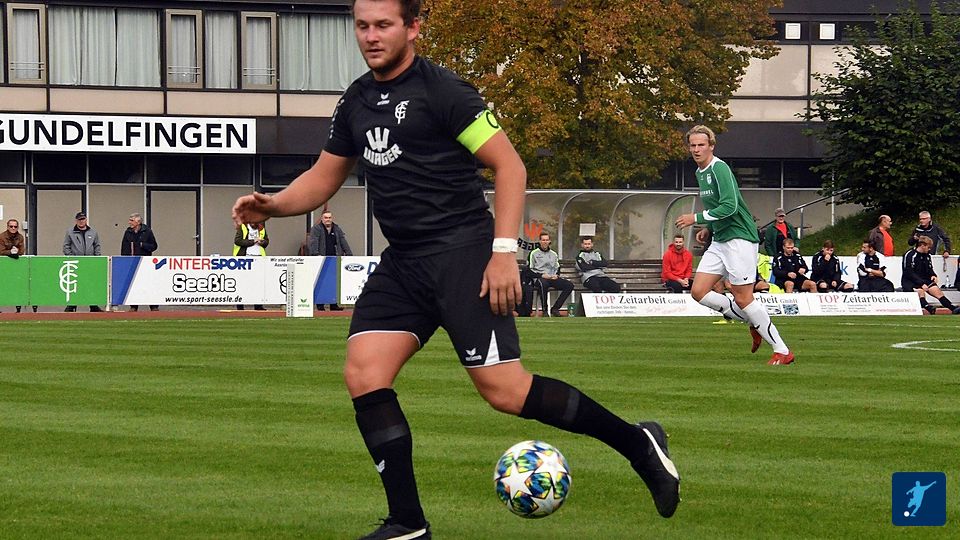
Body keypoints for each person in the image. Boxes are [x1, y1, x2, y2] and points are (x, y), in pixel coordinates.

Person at [232, 2, 680, 537]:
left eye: (383, 25)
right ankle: (407, 523)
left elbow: (510, 165)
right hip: (404, 264)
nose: (371, 36)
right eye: (362, 26)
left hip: (464, 256)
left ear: (413, 28)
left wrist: (503, 252)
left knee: (505, 392)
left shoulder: (445, 92)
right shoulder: (355, 100)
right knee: (364, 373)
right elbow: (324, 177)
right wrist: (274, 205)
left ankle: (638, 444)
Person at [675, 125, 794, 366]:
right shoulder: (700, 171)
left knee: (744, 298)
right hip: (720, 239)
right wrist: (710, 228)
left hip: (739, 239)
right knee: (698, 291)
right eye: (693, 145)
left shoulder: (719, 168)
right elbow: (718, 207)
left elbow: (730, 206)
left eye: (701, 145)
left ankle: (782, 351)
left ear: (711, 146)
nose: (696, 149)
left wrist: (696, 218)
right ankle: (753, 322)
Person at [901, 235, 960, 315]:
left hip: (924, 279)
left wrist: (933, 275)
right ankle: (929, 308)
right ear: (922, 245)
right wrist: (921, 283)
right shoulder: (910, 255)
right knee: (920, 292)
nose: (929, 249)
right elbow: (908, 272)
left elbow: (929, 268)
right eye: (928, 247)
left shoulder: (927, 255)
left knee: (938, 292)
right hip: (910, 280)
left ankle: (953, 308)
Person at [308, 210, 354, 310]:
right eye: (326, 218)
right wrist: (315, 254)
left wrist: (349, 254)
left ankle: (333, 305)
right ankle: (320, 305)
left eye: (329, 217)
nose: (328, 219)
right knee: (321, 282)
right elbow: (313, 242)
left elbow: (343, 241)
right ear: (322, 219)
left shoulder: (336, 228)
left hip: (334, 259)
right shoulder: (316, 229)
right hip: (322, 259)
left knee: (334, 282)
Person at [62, 211, 103, 312]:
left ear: (86, 220)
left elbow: (97, 246)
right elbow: (66, 246)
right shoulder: (70, 232)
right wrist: (72, 257)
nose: (81, 221)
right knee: (75, 283)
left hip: (90, 262)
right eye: (79, 219)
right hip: (76, 262)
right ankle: (72, 305)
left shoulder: (93, 232)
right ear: (76, 221)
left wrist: (96, 258)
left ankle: (93, 305)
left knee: (90, 283)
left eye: (83, 219)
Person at [528, 232, 575, 316]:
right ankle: (545, 310)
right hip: (539, 277)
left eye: (547, 240)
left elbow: (557, 267)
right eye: (543, 240)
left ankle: (555, 308)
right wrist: (541, 275)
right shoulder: (533, 253)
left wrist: (556, 275)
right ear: (540, 241)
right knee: (543, 284)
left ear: (549, 241)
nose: (545, 242)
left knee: (569, 285)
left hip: (552, 277)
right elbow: (529, 270)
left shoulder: (553, 254)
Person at [120, 213, 160, 312]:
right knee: (133, 284)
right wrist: (125, 260)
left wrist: (143, 245)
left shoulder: (147, 231)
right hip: (132, 261)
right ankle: (133, 306)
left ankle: (153, 306)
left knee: (148, 283)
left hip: (145, 262)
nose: (129, 222)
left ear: (138, 222)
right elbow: (124, 247)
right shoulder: (128, 232)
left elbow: (154, 246)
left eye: (131, 220)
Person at [0, 218, 36, 313]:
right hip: (4, 265)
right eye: (11, 226)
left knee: (18, 285)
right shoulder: (2, 237)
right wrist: (11, 252)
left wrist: (15, 252)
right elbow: (1, 251)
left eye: (15, 226)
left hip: (16, 265)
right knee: (3, 285)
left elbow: (21, 251)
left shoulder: (20, 237)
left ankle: (18, 307)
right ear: (7, 227)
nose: (13, 228)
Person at [233, 222, 268, 311]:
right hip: (245, 259)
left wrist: (262, 242)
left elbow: (266, 242)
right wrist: (253, 241)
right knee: (242, 283)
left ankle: (258, 305)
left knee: (258, 283)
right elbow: (237, 241)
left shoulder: (261, 228)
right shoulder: (243, 227)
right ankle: (240, 306)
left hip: (259, 258)